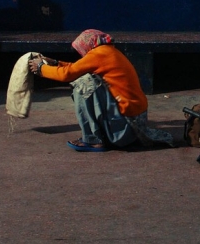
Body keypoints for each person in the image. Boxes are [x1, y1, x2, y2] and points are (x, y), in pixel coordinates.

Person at [28, 29, 173, 152]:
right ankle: (98, 135)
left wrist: (41, 68)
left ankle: (93, 139)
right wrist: (55, 63)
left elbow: (68, 74)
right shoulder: (108, 51)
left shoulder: (99, 54)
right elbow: (76, 67)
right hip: (133, 123)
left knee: (83, 83)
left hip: (124, 129)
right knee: (86, 78)